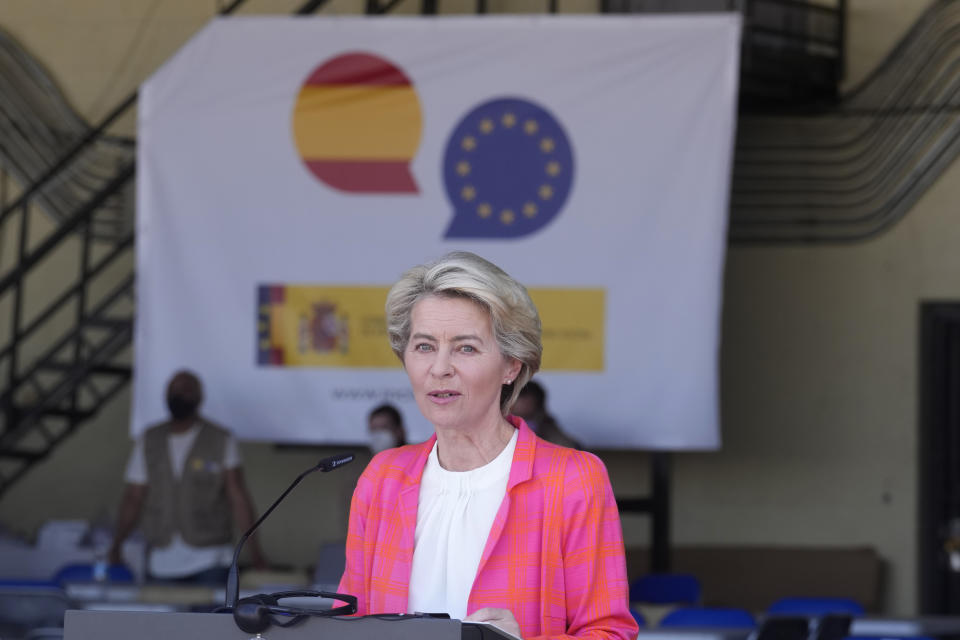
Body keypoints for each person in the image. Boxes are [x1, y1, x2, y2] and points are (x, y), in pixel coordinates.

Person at [338, 252, 637, 640]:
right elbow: (345, 624)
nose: (440, 367)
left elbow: (610, 633)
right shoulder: (382, 478)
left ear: (511, 365)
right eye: (424, 346)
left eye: (466, 348)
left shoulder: (573, 479)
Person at [109, 370, 266, 584]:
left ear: (199, 397)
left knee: (210, 617)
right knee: (162, 618)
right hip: (162, 560)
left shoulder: (220, 439)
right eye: (173, 390)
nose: (179, 395)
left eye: (186, 390)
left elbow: (237, 496)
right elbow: (133, 498)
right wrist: (117, 544)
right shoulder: (149, 439)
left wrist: (255, 551)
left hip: (211, 558)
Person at [512, 380, 581, 449]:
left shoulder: (546, 427)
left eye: (521, 397)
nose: (513, 401)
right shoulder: (506, 424)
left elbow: (566, 447)